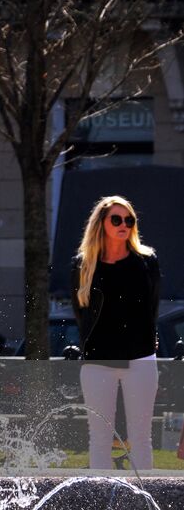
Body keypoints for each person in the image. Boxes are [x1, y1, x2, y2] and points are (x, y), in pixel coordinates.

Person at [71, 195, 160, 470]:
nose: (124, 224)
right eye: (117, 219)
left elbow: (152, 307)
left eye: (129, 220)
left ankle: (145, 504)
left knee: (141, 438)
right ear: (102, 224)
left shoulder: (146, 261)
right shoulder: (84, 264)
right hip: (99, 359)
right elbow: (81, 312)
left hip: (140, 357)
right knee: (99, 439)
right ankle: (99, 502)